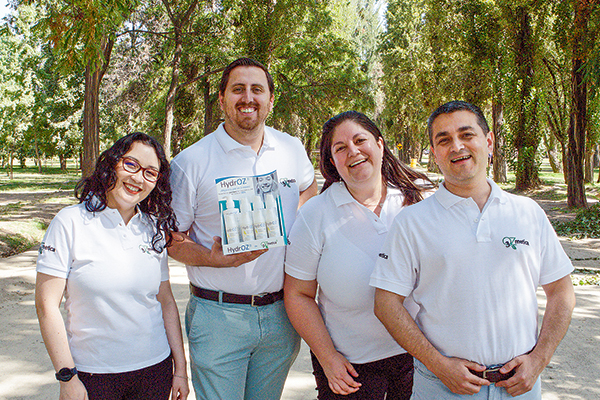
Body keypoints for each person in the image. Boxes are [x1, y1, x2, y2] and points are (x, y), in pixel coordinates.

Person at [370, 101, 576, 400]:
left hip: (520, 387)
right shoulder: (412, 222)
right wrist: (439, 365)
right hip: (442, 387)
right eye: (443, 140)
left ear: (488, 142)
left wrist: (539, 360)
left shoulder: (528, 213)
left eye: (467, 134)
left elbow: (561, 291)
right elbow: (386, 303)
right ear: (434, 152)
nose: (457, 146)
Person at [168, 57, 318, 400]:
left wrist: (290, 221)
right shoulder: (192, 161)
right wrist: (212, 258)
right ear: (222, 99)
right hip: (219, 315)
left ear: (270, 99)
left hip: (281, 314)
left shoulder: (291, 148)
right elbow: (172, 239)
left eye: (256, 89)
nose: (247, 98)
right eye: (238, 89)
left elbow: (308, 187)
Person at [284, 111, 434, 399]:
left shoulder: (420, 200)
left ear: (379, 145)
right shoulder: (315, 215)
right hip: (351, 367)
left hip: (421, 358)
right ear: (332, 162)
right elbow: (298, 295)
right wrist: (328, 358)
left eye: (359, 140)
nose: (352, 151)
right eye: (340, 148)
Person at [35, 132, 189, 400]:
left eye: (151, 172)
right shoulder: (69, 222)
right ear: (112, 164)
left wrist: (180, 369)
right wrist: (66, 376)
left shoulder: (152, 228)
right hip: (92, 375)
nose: (138, 178)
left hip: (155, 372)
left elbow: (165, 301)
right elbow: (46, 305)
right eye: (131, 165)